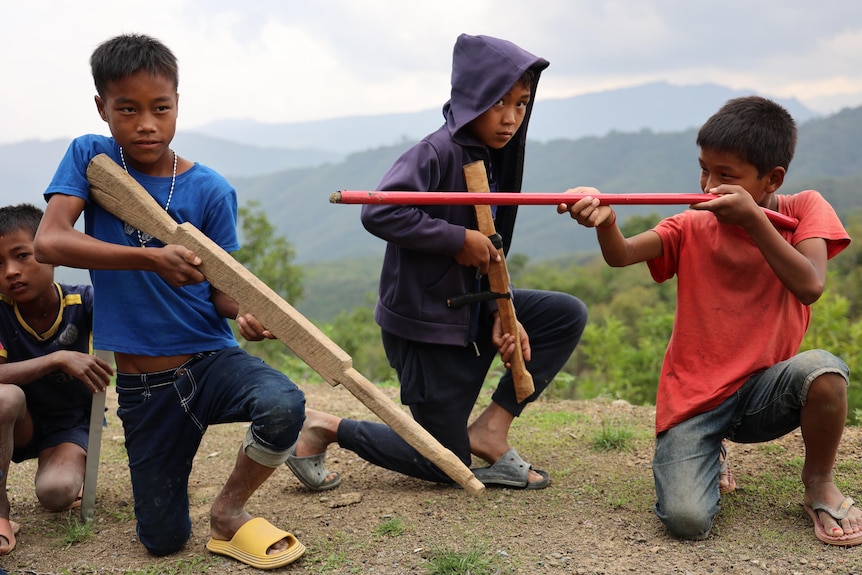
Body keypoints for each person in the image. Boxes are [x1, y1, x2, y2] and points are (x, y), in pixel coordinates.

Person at [34, 34, 307, 568]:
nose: (146, 124)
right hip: (143, 387)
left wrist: (245, 313)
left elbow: (224, 291)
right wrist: (151, 258)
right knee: (162, 541)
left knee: (283, 405)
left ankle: (229, 511)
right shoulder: (91, 157)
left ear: (178, 103)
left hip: (210, 360)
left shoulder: (210, 190)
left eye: (161, 108)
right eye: (127, 109)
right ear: (101, 108)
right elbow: (49, 241)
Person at [287, 34, 587, 491]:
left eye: (521, 104)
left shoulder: (495, 155)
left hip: (470, 310)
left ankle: (490, 430)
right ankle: (326, 427)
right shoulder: (435, 152)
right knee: (443, 463)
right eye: (497, 102)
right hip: (426, 327)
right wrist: (455, 239)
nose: (510, 118)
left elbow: (490, 253)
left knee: (563, 315)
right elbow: (380, 209)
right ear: (471, 98)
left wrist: (500, 313)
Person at [558, 95, 859, 545]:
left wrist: (755, 222)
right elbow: (621, 255)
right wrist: (604, 220)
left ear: (772, 178)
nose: (708, 185)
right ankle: (708, 452)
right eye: (704, 169)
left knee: (824, 373)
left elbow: (810, 284)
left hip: (763, 393)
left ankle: (817, 481)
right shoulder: (692, 223)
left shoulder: (802, 210)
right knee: (686, 520)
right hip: (695, 401)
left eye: (726, 175)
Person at [0, 204, 112, 555]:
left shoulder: (85, 303)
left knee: (55, 493)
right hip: (17, 423)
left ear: (50, 253)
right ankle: (0, 512)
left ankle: (69, 469)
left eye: (22, 256)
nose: (11, 272)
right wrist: (57, 358)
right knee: (4, 398)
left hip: (67, 424)